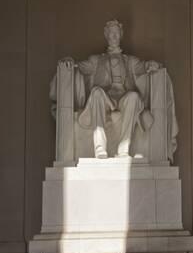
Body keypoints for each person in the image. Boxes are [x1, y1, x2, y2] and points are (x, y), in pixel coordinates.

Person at [54, 19, 177, 159]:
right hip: (105, 98)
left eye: (116, 33)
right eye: (111, 33)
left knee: (134, 97)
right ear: (106, 36)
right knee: (96, 93)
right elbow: (79, 66)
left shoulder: (130, 61)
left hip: (124, 98)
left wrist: (151, 65)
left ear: (121, 35)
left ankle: (124, 149)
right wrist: (68, 61)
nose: (113, 36)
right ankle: (100, 147)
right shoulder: (96, 60)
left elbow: (143, 67)